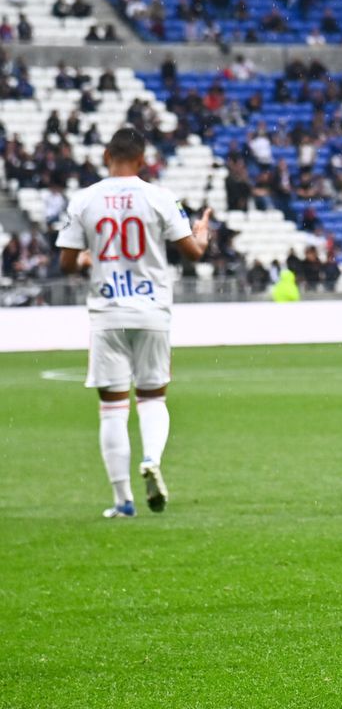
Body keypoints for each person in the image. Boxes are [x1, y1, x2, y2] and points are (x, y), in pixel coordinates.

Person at [55, 128, 212, 518]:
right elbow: (192, 253)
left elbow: (66, 264)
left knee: (112, 407)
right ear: (143, 161)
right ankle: (152, 459)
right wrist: (202, 235)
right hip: (152, 310)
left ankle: (123, 501)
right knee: (153, 397)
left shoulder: (85, 199)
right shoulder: (159, 197)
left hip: (108, 314)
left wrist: (91, 259)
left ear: (106, 155)